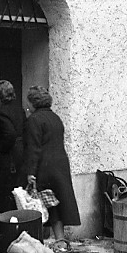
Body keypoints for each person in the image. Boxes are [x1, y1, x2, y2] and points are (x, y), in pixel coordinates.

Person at [22, 86, 80, 239]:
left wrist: (31, 173)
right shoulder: (56, 118)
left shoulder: (33, 120)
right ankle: (59, 239)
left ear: (33, 103)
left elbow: (34, 148)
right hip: (60, 165)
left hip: (45, 167)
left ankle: (44, 241)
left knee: (45, 204)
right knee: (56, 204)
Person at [0, 80, 26, 213]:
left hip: (7, 158)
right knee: (15, 192)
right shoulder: (19, 109)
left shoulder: (1, 112)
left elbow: (10, 134)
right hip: (20, 155)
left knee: (3, 193)